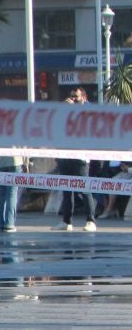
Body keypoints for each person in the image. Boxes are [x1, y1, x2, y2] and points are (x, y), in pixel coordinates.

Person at [55, 89, 96, 231]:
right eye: (71, 96)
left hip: (81, 158)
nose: (73, 99)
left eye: (76, 97)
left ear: (84, 98)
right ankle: (67, 221)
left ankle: (91, 221)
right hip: (66, 156)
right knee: (67, 191)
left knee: (85, 189)